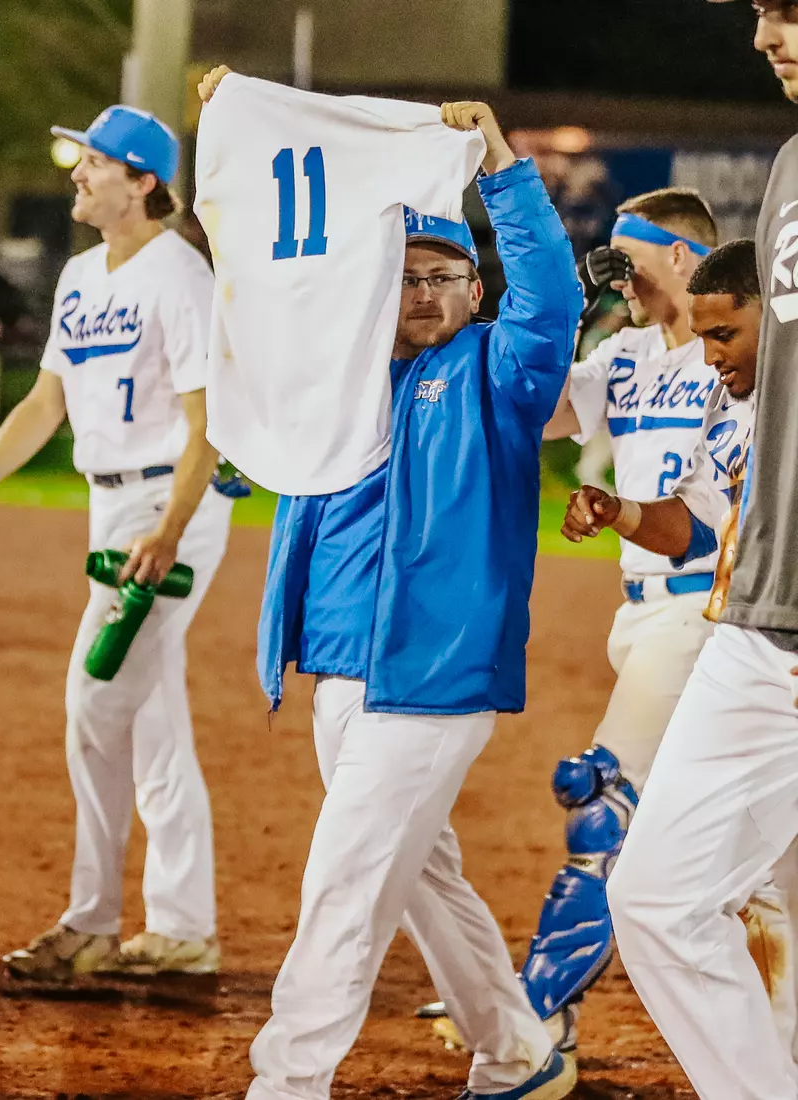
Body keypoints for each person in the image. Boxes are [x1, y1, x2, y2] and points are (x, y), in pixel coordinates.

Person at [197, 70, 583, 1100]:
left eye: (440, 275)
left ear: (474, 289)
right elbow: (268, 320)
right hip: (334, 671)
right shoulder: (337, 386)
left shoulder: (500, 371)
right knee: (418, 873)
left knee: (346, 880)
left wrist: (502, 169)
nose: (419, 293)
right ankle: (516, 1050)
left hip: (433, 675)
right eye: (402, 276)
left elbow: (555, 295)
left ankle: (288, 1080)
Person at [0, 105, 238, 981]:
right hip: (112, 509)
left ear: (144, 182)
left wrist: (170, 532)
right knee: (151, 721)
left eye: (96, 162)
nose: (78, 174)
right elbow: (44, 403)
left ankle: (93, 920)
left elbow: (208, 424)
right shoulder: (80, 275)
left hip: (167, 509)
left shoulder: (179, 276)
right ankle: (182, 928)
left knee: (95, 702)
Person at [421, 187, 724, 1049]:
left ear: (682, 254)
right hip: (641, 618)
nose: (616, 272)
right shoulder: (624, 352)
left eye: (628, 257)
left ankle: (537, 1016)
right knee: (748, 856)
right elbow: (537, 408)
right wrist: (574, 308)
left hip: (703, 610)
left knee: (602, 800)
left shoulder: (735, 355)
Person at [607, 4, 798, 1097]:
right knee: (658, 896)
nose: (767, 33)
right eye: (763, 13)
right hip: (758, 611)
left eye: (788, 7)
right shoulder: (785, 169)